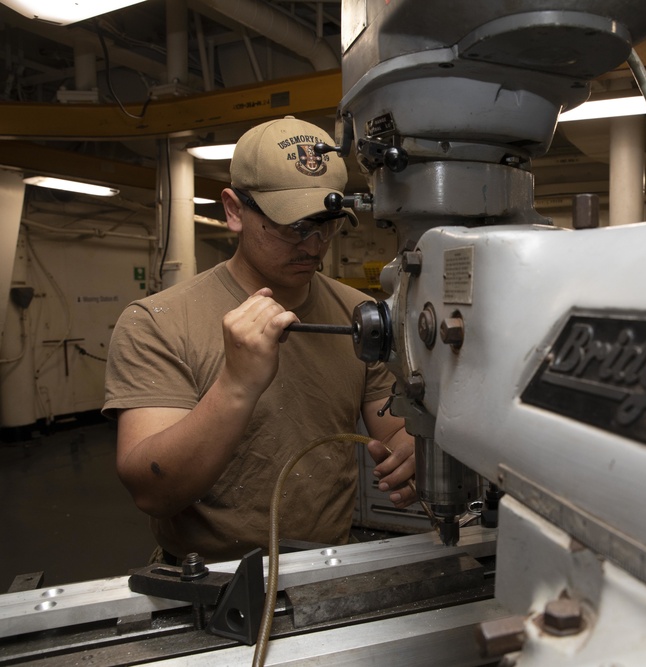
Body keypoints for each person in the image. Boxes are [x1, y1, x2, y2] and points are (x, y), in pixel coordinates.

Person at [103, 116, 415, 564]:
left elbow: (394, 430)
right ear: (234, 210)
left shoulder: (358, 314)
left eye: (327, 224)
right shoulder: (158, 323)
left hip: (325, 565)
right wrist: (237, 384)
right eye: (293, 227)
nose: (313, 246)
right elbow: (153, 492)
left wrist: (411, 452)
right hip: (208, 580)